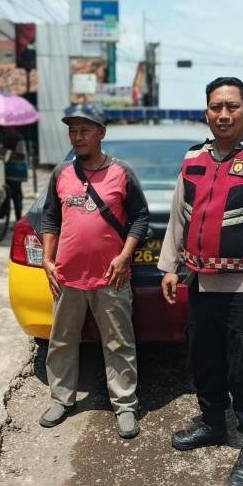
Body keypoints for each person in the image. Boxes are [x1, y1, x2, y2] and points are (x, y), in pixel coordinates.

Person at [158, 76, 243, 486]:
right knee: (206, 360)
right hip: (201, 284)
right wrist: (169, 266)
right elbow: (179, 215)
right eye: (216, 106)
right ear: (206, 111)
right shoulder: (193, 159)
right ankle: (213, 422)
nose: (223, 114)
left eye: (232, 106)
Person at [38, 103, 149, 439]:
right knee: (61, 341)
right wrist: (47, 258)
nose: (78, 136)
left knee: (118, 343)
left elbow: (140, 218)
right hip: (67, 278)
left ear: (102, 132)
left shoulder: (122, 173)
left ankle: (126, 405)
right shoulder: (61, 174)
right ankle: (61, 398)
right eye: (73, 130)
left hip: (110, 278)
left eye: (85, 129)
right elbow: (50, 218)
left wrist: (124, 256)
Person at [0, 126, 28, 220]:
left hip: (16, 171)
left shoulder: (19, 139)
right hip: (6, 169)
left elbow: (21, 156)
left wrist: (5, 152)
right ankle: (2, 213)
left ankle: (18, 218)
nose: (5, 129)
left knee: (16, 194)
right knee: (5, 193)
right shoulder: (3, 137)